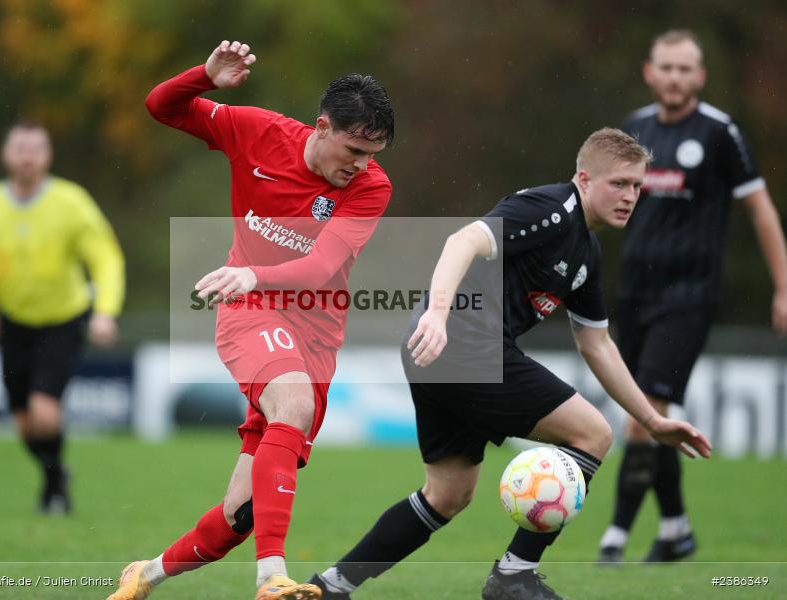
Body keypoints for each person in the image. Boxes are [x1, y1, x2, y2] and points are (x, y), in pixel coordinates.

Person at [306, 128, 712, 600]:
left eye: (638, 186)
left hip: (443, 354)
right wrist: (438, 314)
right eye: (618, 184)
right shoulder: (551, 209)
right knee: (593, 434)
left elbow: (596, 344)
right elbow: (462, 241)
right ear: (584, 178)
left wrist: (652, 420)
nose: (630, 196)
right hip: (462, 346)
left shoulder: (588, 252)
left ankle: (331, 586)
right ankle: (513, 576)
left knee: (447, 495)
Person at [107, 40, 394, 600]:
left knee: (241, 514)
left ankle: (146, 575)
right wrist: (203, 78)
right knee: (293, 402)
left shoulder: (371, 186)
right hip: (249, 308)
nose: (361, 164)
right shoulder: (256, 131)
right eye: (354, 148)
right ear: (321, 126)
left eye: (373, 152)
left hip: (315, 334)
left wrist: (258, 275)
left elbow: (322, 265)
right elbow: (160, 107)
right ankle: (272, 579)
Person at [597, 30, 787, 565]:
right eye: (667, 68)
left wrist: (783, 286)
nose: (675, 77)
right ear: (649, 72)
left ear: (699, 77)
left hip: (689, 296)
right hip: (634, 293)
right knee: (647, 416)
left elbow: (761, 209)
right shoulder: (633, 130)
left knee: (645, 414)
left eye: (686, 69)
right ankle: (676, 529)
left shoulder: (720, 133)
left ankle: (614, 537)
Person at [0, 122, 125, 513]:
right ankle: (55, 474)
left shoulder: (72, 202)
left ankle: (54, 485)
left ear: (48, 156)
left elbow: (105, 258)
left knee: (45, 414)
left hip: (63, 321)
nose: (27, 156)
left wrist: (105, 311)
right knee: (24, 424)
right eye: (20, 148)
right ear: (6, 154)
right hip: (12, 325)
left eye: (36, 148)